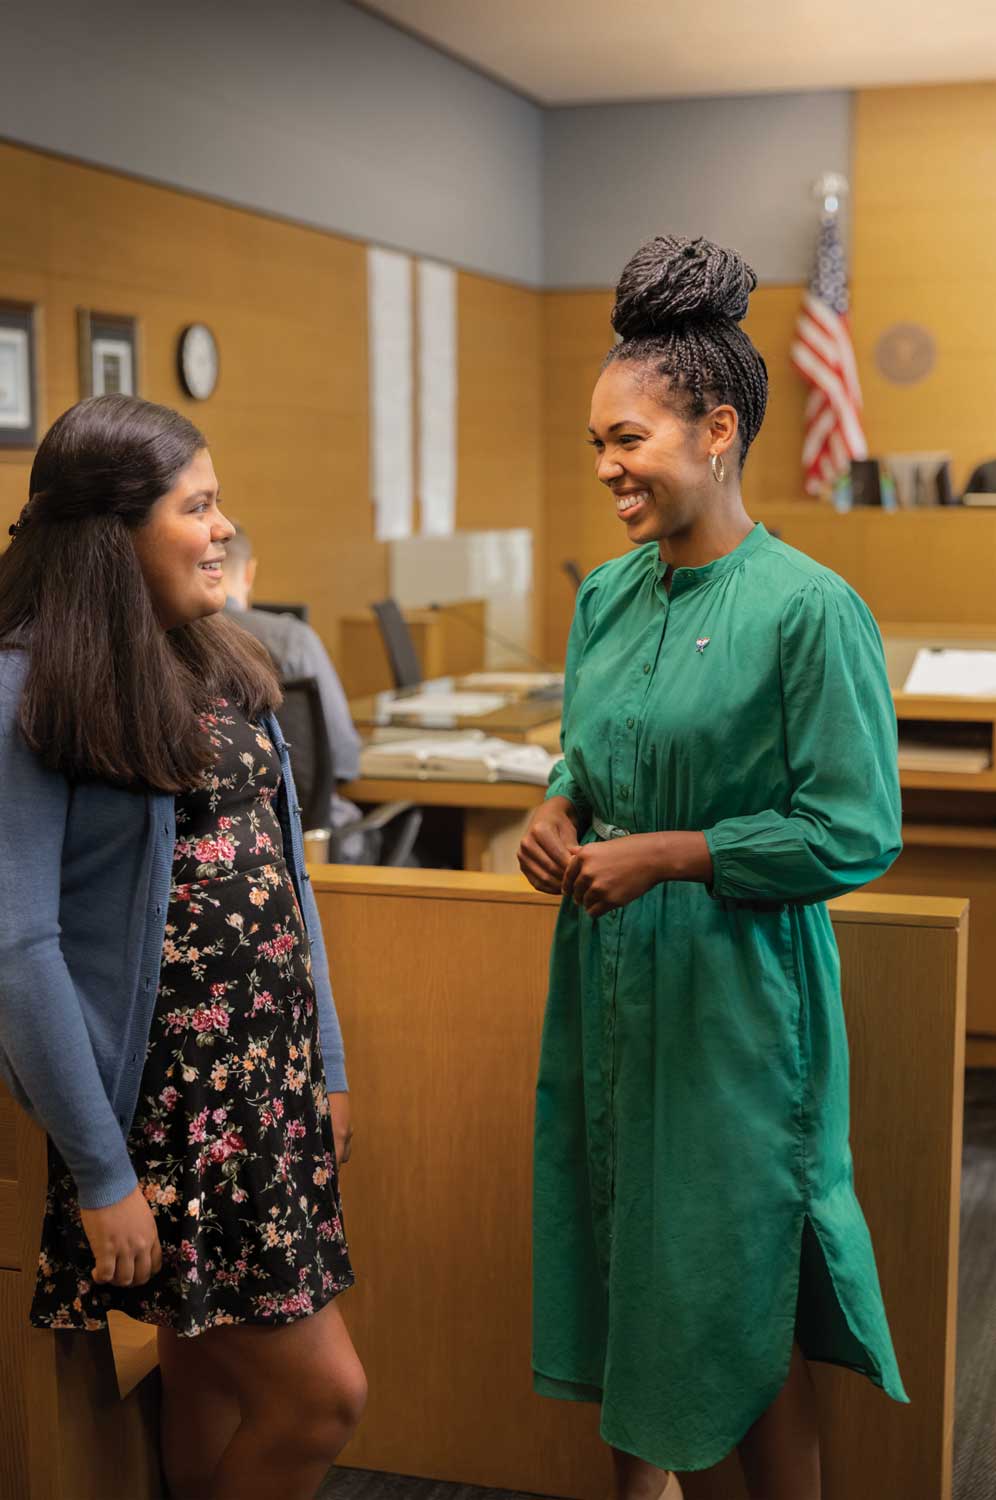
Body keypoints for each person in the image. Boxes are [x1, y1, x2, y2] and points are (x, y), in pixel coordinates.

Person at [518, 236, 907, 1500]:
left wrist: (678, 855)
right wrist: (558, 805)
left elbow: (855, 828)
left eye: (627, 440)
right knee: (632, 1255)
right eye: (597, 445)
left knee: (738, 1283)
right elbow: (592, 750)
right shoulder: (607, 601)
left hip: (739, 1005)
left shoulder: (807, 608)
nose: (608, 470)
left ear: (718, 430)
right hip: (609, 985)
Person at [0, 395, 365, 1500]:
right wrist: (103, 1174)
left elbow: (291, 883)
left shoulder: (224, 660)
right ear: (114, 535)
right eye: (197, 506)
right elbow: (18, 945)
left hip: (268, 1093)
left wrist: (329, 1068)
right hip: (163, 1117)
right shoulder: (27, 684)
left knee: (210, 1380)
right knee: (322, 1395)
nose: (223, 529)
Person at [220, 526, 375, 863]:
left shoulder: (167, 638)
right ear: (249, 572)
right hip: (308, 837)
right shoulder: (291, 640)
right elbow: (343, 758)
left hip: (226, 839)